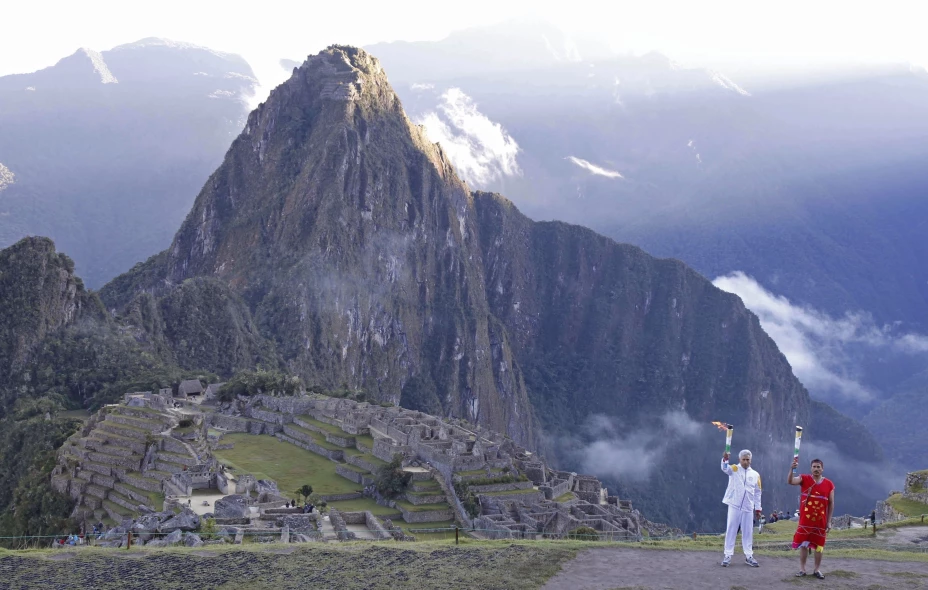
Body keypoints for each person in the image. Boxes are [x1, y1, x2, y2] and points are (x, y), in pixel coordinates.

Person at [788, 457, 835, 580]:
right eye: (814, 467)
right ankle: (802, 569)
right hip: (805, 520)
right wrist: (792, 469)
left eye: (818, 467)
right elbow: (791, 481)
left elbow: (831, 503)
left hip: (821, 521)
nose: (816, 469)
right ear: (811, 468)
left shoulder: (829, 484)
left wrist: (829, 521)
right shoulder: (804, 479)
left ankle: (817, 569)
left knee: (819, 546)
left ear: (822, 469)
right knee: (803, 544)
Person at [720, 449, 763, 567]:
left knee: (748, 532)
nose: (745, 462)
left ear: (751, 460)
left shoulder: (755, 475)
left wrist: (758, 508)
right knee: (731, 530)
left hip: (748, 507)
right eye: (743, 459)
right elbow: (725, 468)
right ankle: (727, 555)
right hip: (734, 505)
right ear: (739, 459)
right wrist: (725, 459)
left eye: (747, 460)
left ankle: (749, 555)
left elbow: (758, 492)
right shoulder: (734, 469)